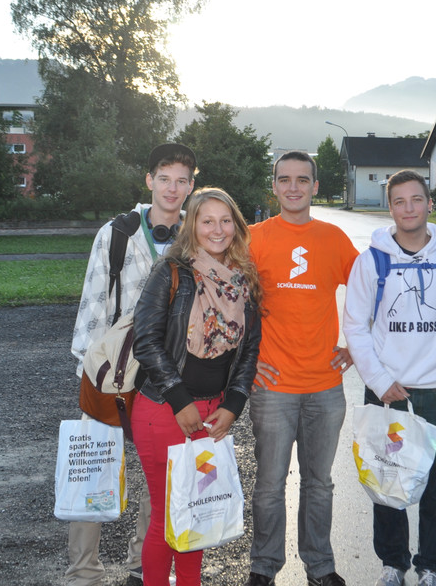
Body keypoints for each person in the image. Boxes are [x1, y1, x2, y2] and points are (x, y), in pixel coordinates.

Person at [67, 143, 197, 586]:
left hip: (167, 373)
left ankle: (144, 564)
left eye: (181, 181)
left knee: (160, 475)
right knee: (95, 468)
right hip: (113, 371)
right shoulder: (117, 233)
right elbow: (92, 304)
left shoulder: (196, 234)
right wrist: (90, 375)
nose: (172, 188)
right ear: (149, 180)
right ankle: (84, 572)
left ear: (191, 186)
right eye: (164, 179)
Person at [341, 170, 436, 586]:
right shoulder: (371, 261)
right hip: (387, 391)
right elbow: (355, 326)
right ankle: (393, 564)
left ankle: (430, 566)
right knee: (388, 480)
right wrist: (380, 381)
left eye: (416, 199)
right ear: (390, 207)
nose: (409, 208)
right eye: (399, 201)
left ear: (429, 203)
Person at [131, 187, 263, 586]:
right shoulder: (171, 272)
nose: (217, 230)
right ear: (192, 225)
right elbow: (146, 342)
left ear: (236, 226)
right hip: (164, 410)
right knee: (166, 518)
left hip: (213, 413)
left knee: (198, 513)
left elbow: (249, 351)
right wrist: (179, 400)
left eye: (225, 220)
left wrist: (234, 404)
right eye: (207, 221)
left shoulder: (243, 279)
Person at [245, 150, 358, 586]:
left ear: (315, 186)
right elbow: (228, 303)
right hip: (273, 385)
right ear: (274, 186)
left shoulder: (333, 238)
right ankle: (263, 566)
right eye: (284, 179)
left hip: (325, 386)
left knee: (319, 484)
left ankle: (320, 566)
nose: (293, 187)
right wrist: (246, 362)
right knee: (269, 484)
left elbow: (371, 290)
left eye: (302, 179)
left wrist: (356, 347)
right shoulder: (253, 239)